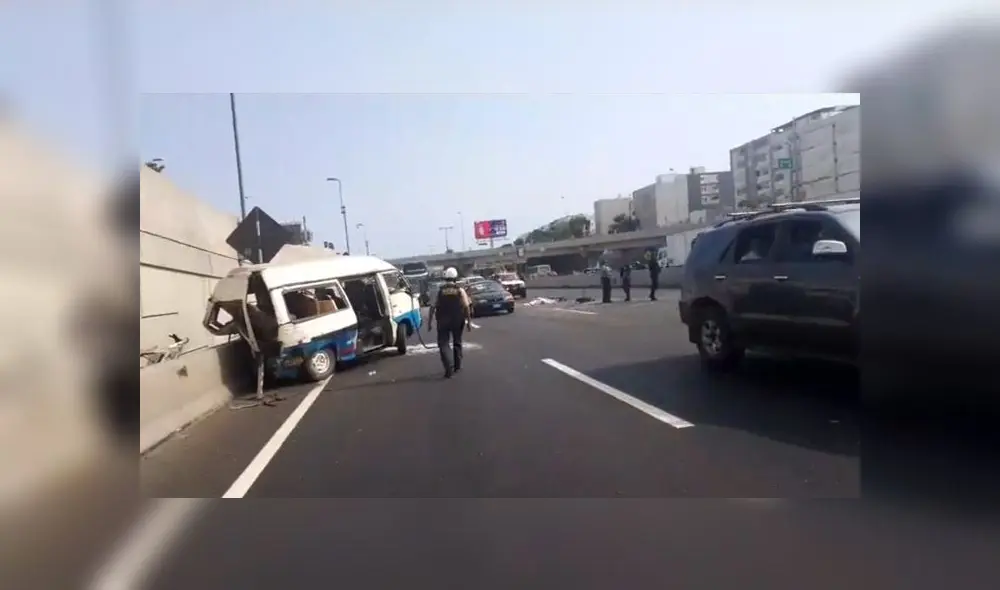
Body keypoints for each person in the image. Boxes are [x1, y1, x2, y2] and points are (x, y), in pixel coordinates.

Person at [427, 267, 472, 378]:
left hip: (443, 320)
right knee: (457, 342)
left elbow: (432, 307)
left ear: (445, 278)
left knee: (443, 344)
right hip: (457, 320)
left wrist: (429, 322)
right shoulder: (460, 290)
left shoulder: (439, 290)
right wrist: (469, 322)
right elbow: (466, 307)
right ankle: (457, 365)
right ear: (455, 278)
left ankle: (448, 365)